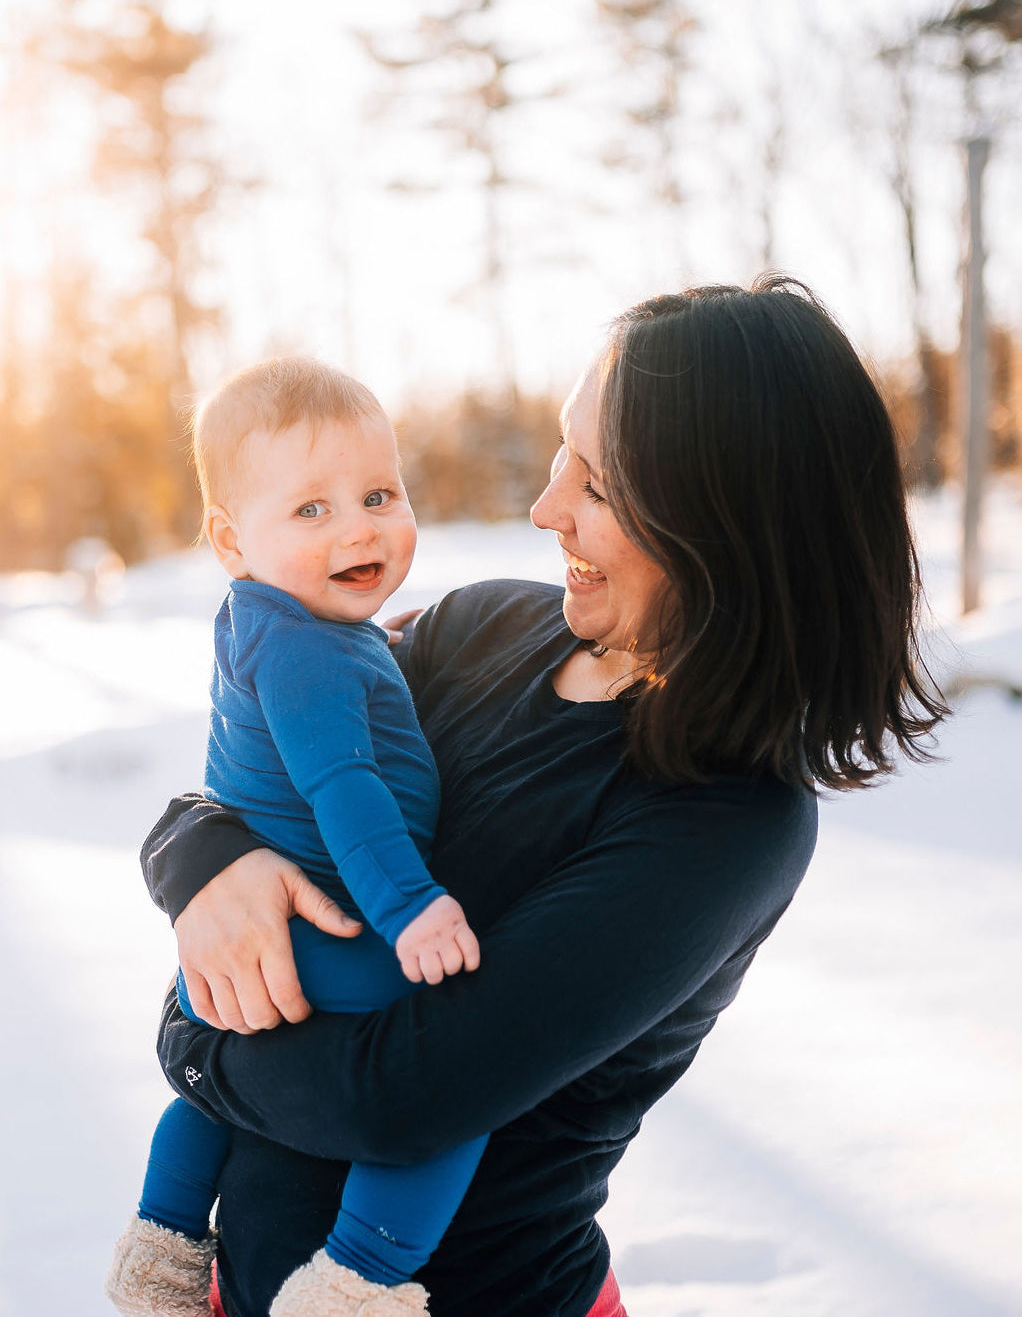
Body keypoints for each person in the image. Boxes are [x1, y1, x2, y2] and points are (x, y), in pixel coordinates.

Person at [142, 277, 947, 1317]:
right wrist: (196, 850)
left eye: (598, 487)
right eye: (564, 454)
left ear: (725, 528)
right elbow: (264, 763)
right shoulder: (475, 629)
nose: (543, 508)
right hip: (242, 1286)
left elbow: (401, 1100)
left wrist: (193, 1039)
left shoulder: (723, 819)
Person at [107, 358, 485, 1317]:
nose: (358, 527)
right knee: (458, 1091)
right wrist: (410, 908)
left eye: (377, 494)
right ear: (232, 541)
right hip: (335, 933)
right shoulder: (312, 652)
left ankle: (164, 1240)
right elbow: (344, 790)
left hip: (247, 955)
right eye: (309, 510)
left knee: (209, 1101)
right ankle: (360, 1276)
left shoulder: (270, 622)